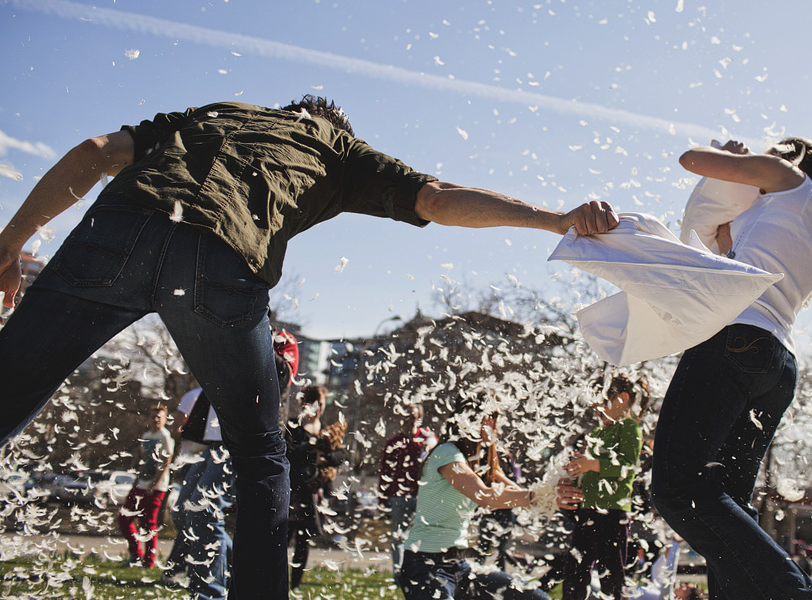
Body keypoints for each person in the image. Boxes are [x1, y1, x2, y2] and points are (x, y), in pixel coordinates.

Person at [0, 96, 618, 599]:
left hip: (113, 233)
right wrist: (554, 218)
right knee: (262, 456)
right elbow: (435, 198)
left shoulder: (214, 113)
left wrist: (10, 244)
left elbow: (94, 152)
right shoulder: (337, 148)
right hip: (221, 259)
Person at [649, 137, 812, 600]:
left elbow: (690, 160)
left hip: (732, 342)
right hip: (776, 364)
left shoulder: (786, 179)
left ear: (788, 157)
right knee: (725, 504)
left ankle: (798, 594)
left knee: (677, 487)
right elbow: (728, 244)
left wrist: (730, 155)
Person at [398, 394, 582, 600]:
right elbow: (484, 496)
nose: (496, 424)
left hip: (460, 568)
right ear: (471, 417)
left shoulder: (476, 460)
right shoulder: (446, 454)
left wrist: (554, 492)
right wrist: (541, 497)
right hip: (425, 569)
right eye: (492, 416)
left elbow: (515, 492)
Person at [562, 375, 648, 600]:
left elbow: (628, 467)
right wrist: (572, 475)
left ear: (623, 398)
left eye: (602, 402)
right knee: (574, 569)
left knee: (610, 573)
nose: (597, 408)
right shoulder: (598, 433)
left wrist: (591, 463)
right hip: (587, 509)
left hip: (612, 512)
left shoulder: (628, 427)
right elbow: (587, 470)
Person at [162, 386, 236, 600]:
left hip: (231, 442)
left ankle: (210, 593)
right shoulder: (204, 387)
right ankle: (239, 568)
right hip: (211, 443)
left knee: (203, 512)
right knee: (183, 510)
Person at [285, 384, 348, 590]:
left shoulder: (328, 432)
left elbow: (340, 455)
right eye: (313, 403)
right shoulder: (293, 426)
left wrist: (323, 456)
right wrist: (315, 454)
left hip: (314, 494)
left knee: (304, 541)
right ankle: (275, 580)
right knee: (283, 538)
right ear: (304, 403)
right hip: (294, 491)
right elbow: (290, 452)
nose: (318, 408)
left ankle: (295, 584)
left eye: (321, 404)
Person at [379, 403, 438, 580]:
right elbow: (385, 472)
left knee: (424, 535)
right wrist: (383, 499)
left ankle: (421, 572)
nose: (409, 420)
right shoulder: (393, 443)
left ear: (419, 418)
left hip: (423, 495)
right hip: (398, 496)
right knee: (398, 537)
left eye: (413, 416)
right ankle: (400, 575)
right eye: (406, 416)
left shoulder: (427, 438)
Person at [118, 404, 174, 568]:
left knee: (148, 523)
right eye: (153, 416)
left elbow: (166, 462)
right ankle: (136, 554)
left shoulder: (166, 436)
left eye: (159, 417)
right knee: (124, 518)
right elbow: (144, 461)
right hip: (141, 483)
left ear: (165, 419)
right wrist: (138, 481)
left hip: (156, 487)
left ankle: (148, 561)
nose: (156, 419)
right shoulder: (147, 435)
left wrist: (153, 484)